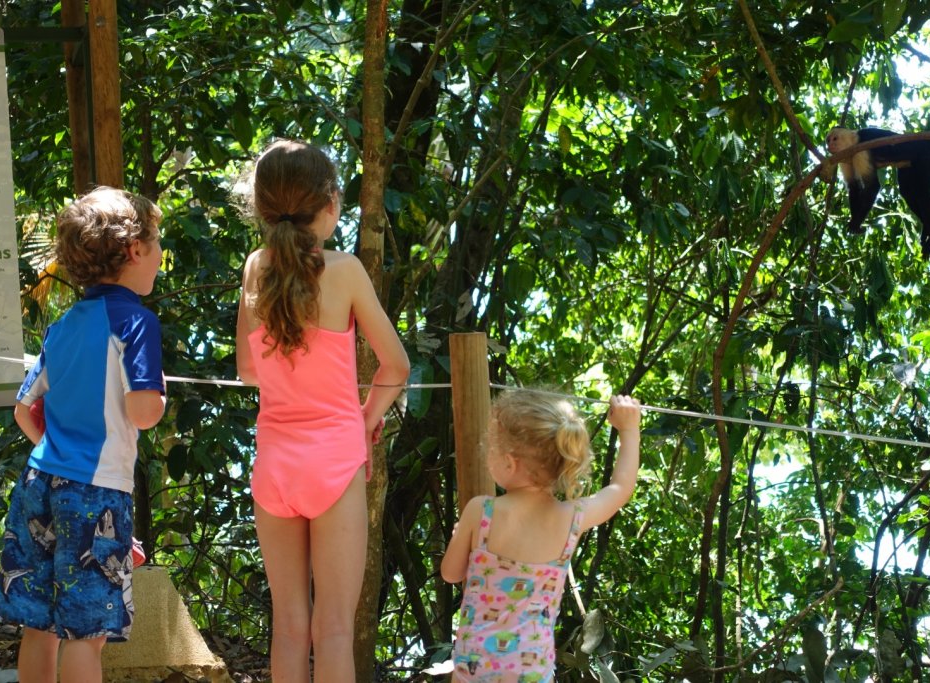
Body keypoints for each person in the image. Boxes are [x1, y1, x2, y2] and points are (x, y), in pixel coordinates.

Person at [235, 139, 410, 682]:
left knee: (289, 627)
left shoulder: (254, 269)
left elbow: (247, 370)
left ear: (262, 206)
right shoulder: (346, 270)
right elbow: (396, 367)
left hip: (275, 466)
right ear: (331, 203)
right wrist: (361, 418)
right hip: (335, 461)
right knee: (332, 630)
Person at [0, 187, 167, 683]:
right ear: (134, 249)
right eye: (156, 243)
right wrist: (158, 397)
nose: (159, 256)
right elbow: (144, 410)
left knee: (39, 624)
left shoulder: (62, 325)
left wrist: (58, 454)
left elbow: (25, 410)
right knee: (85, 636)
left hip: (37, 483)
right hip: (98, 489)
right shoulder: (136, 323)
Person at [441, 390, 642, 681]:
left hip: (475, 668)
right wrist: (629, 429)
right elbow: (620, 489)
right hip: (532, 671)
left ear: (510, 462)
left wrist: (460, 537)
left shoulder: (481, 511)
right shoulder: (570, 518)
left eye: (490, 448)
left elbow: (450, 573)